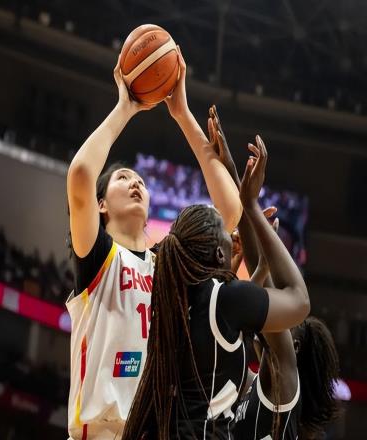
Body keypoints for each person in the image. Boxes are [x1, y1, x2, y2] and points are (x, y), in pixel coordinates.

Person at [65, 48, 242, 439]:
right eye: (123, 178)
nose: (136, 183)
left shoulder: (166, 264)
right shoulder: (98, 257)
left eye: (141, 181)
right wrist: (126, 107)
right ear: (100, 205)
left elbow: (230, 213)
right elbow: (80, 175)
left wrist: (182, 114)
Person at [122, 134, 310, 440]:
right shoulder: (224, 302)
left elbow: (227, 317)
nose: (233, 236)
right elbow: (299, 300)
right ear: (220, 255)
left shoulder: (173, 302)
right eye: (227, 232)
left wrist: (259, 266)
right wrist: (250, 206)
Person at [208, 105, 340, 439]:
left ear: (292, 346)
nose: (276, 311)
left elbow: (270, 288)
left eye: (286, 321)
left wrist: (249, 203)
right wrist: (231, 175)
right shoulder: (255, 384)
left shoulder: (282, 383)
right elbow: (255, 288)